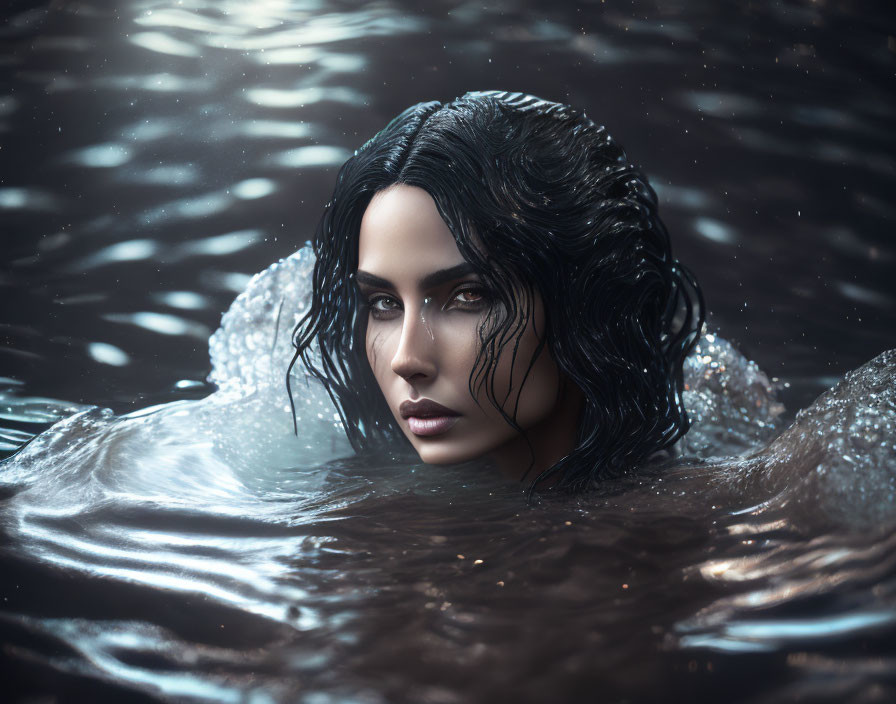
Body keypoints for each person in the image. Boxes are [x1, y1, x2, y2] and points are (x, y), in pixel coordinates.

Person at [289, 91, 704, 492]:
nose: (406, 360)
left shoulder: (704, 516)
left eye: (469, 296)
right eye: (384, 304)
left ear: (584, 298)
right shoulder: (344, 503)